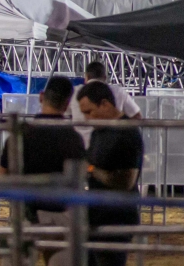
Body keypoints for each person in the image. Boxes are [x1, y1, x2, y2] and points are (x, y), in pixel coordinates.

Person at [0, 76, 85, 266]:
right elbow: (79, 179)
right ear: (67, 104)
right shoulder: (74, 139)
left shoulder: (21, 135)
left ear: (41, 96)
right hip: (61, 213)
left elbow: (4, 176)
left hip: (26, 212)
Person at [77, 82, 144, 266]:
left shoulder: (128, 133)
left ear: (105, 104)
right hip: (97, 216)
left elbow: (126, 181)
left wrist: (90, 170)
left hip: (116, 219)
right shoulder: (99, 132)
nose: (86, 118)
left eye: (89, 112)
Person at [69, 62, 142, 143]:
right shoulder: (118, 91)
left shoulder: (74, 92)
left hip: (81, 147)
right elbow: (136, 116)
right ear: (104, 77)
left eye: (89, 112)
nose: (87, 118)